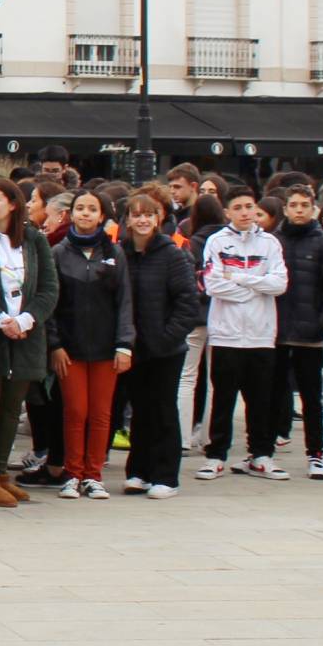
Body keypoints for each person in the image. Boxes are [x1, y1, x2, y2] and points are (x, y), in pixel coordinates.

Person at [196, 187, 290, 481]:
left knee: (260, 397)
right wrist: (255, 286)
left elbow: (279, 283)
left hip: (262, 333)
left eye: (250, 206)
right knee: (223, 397)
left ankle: (261, 454)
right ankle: (217, 454)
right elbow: (212, 285)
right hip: (226, 333)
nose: (246, 212)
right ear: (227, 212)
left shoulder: (270, 243)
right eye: (238, 207)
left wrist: (237, 277)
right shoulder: (216, 241)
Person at [47, 187, 133, 500]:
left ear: (101, 216)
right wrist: (54, 344)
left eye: (92, 209)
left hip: (106, 347)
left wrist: (125, 344)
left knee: (100, 413)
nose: (85, 213)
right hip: (69, 348)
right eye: (80, 208)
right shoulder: (58, 252)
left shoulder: (114, 253)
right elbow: (52, 303)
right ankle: (72, 473)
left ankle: (93, 474)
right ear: (71, 214)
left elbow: (125, 301)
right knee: (75, 411)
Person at [118, 193, 199, 499]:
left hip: (166, 349)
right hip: (132, 347)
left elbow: (188, 303)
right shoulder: (121, 252)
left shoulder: (172, 254)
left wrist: (168, 336)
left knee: (163, 409)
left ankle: (166, 475)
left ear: (158, 219)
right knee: (139, 410)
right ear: (127, 219)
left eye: (148, 215)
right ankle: (139, 470)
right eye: (136, 214)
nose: (142, 220)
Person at [271, 183, 323, 478]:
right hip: (277, 330)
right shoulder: (273, 241)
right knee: (272, 393)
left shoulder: (322, 243)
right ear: (285, 208)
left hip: (310, 332)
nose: (298, 210)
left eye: (304, 206)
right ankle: (263, 449)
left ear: (313, 209)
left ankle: (316, 454)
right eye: (293, 205)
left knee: (311, 397)